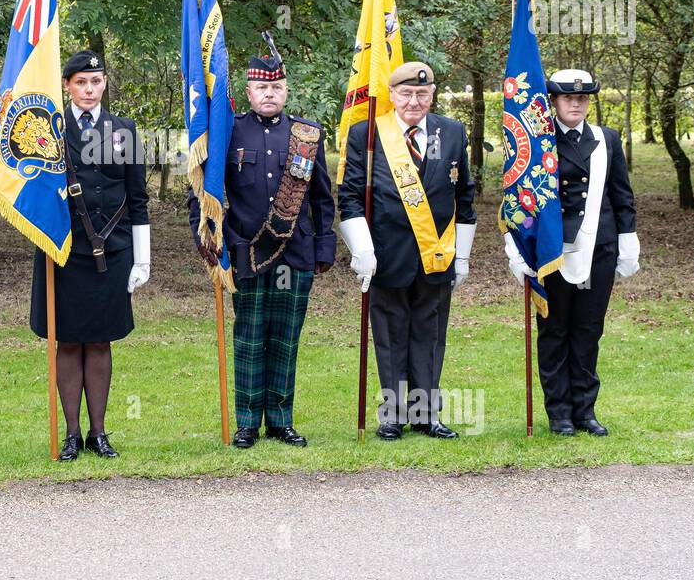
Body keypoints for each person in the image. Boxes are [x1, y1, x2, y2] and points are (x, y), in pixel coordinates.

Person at [188, 42, 335, 448]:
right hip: (246, 251)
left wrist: (324, 248)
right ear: (248, 92)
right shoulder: (228, 131)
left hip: (296, 252)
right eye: (260, 87)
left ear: (286, 91)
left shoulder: (306, 135)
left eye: (276, 87)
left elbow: (322, 198)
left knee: (287, 338)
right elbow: (203, 191)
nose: (269, 94)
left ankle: (282, 420)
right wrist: (207, 238)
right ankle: (248, 422)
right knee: (249, 337)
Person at [337, 62, 477, 440]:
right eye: (406, 94)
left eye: (422, 93)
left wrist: (462, 254)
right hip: (386, 254)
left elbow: (464, 195)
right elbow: (349, 196)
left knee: (430, 336)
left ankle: (426, 414)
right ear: (392, 95)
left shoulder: (452, 132)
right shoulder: (367, 134)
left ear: (432, 95)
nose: (414, 101)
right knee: (390, 335)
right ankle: (394, 415)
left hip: (437, 254)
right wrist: (362, 250)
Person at [29, 51, 150, 461]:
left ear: (104, 85)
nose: (89, 90)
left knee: (99, 342)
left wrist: (142, 258)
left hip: (111, 251)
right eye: (81, 82)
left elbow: (139, 199)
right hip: (63, 251)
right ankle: (71, 434)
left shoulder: (124, 130)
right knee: (68, 342)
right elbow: (32, 193)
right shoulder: (48, 132)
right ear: (67, 85)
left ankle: (98, 433)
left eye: (96, 82)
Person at [505, 68, 638, 436]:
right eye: (568, 98)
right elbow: (520, 199)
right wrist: (518, 250)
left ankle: (585, 410)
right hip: (555, 253)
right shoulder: (539, 145)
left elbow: (621, 196)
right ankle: (559, 413)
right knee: (554, 331)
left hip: (599, 249)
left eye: (582, 98)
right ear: (554, 101)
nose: (576, 103)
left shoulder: (607, 139)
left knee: (588, 331)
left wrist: (627, 242)